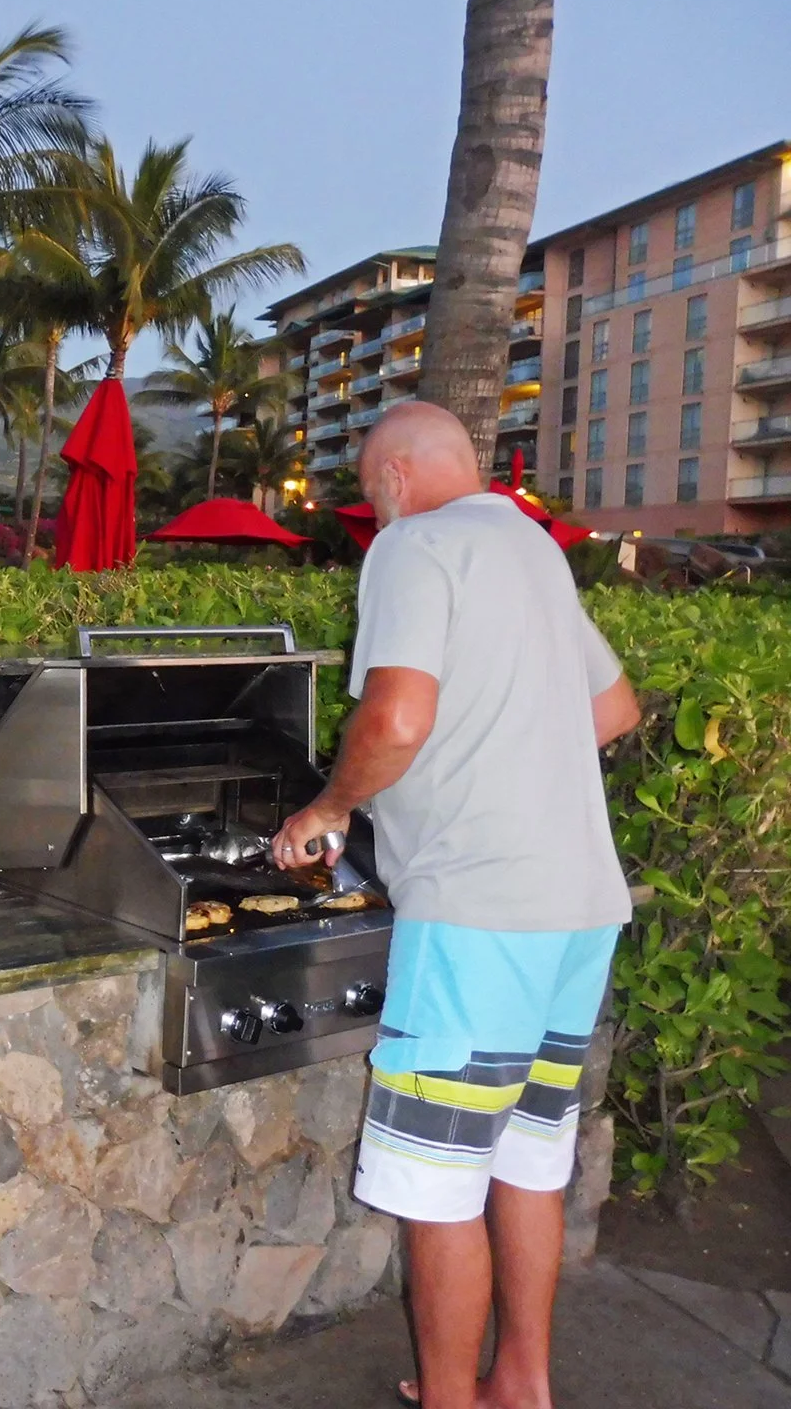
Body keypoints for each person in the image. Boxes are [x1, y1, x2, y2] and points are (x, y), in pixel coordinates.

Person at [272, 401, 640, 1409]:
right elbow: (615, 709)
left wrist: (333, 804)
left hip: (478, 913)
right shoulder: (531, 551)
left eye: (367, 491)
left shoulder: (414, 547)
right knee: (527, 1160)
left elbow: (394, 715)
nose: (371, 512)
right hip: (577, 908)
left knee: (439, 1182)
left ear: (393, 476)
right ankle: (521, 1381)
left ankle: (450, 1401)